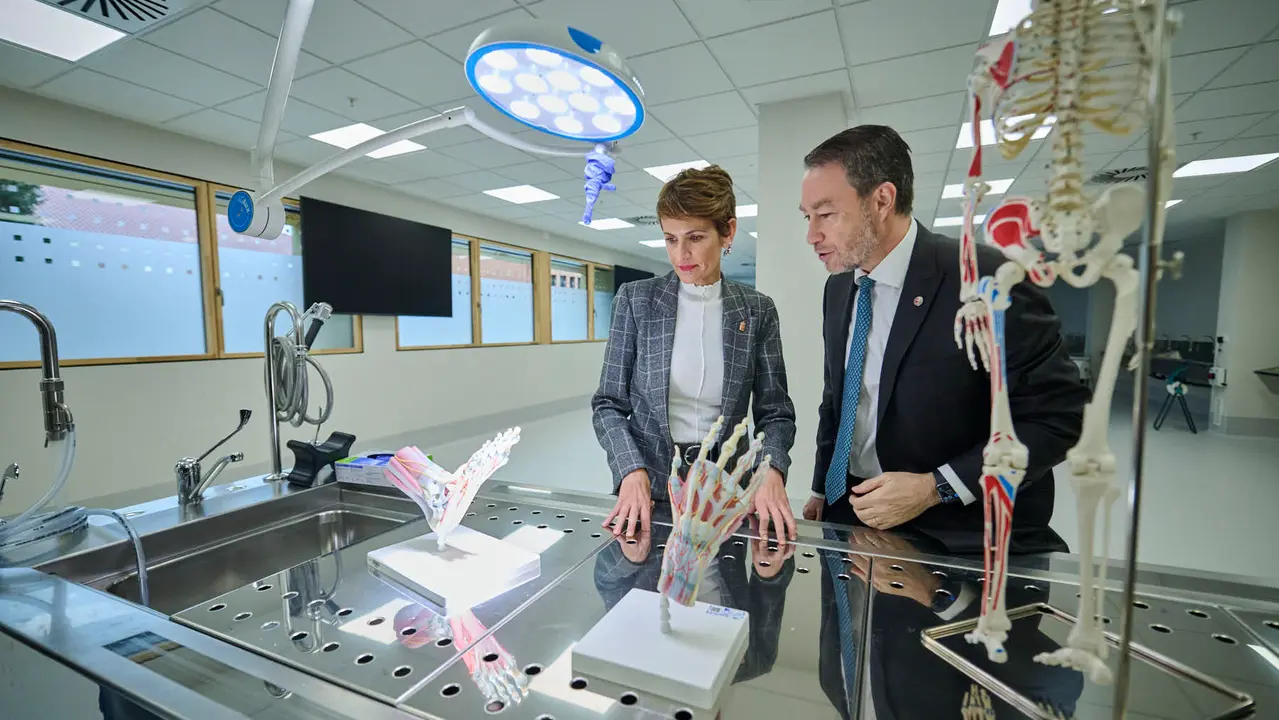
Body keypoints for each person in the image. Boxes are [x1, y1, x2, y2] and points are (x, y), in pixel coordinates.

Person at [798, 125, 1090, 554]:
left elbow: (1058, 417)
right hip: (854, 518)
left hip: (958, 532)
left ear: (882, 200)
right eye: (808, 217)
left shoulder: (984, 278)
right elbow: (840, 400)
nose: (812, 235)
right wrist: (824, 488)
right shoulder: (841, 288)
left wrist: (937, 487)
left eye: (826, 215)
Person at [592, 165, 798, 542]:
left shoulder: (756, 310)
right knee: (642, 596)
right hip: (648, 489)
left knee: (724, 595)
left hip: (727, 491)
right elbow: (608, 404)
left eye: (695, 237)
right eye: (670, 239)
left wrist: (771, 470)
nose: (680, 254)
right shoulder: (636, 301)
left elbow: (776, 413)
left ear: (728, 232)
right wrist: (629, 470)